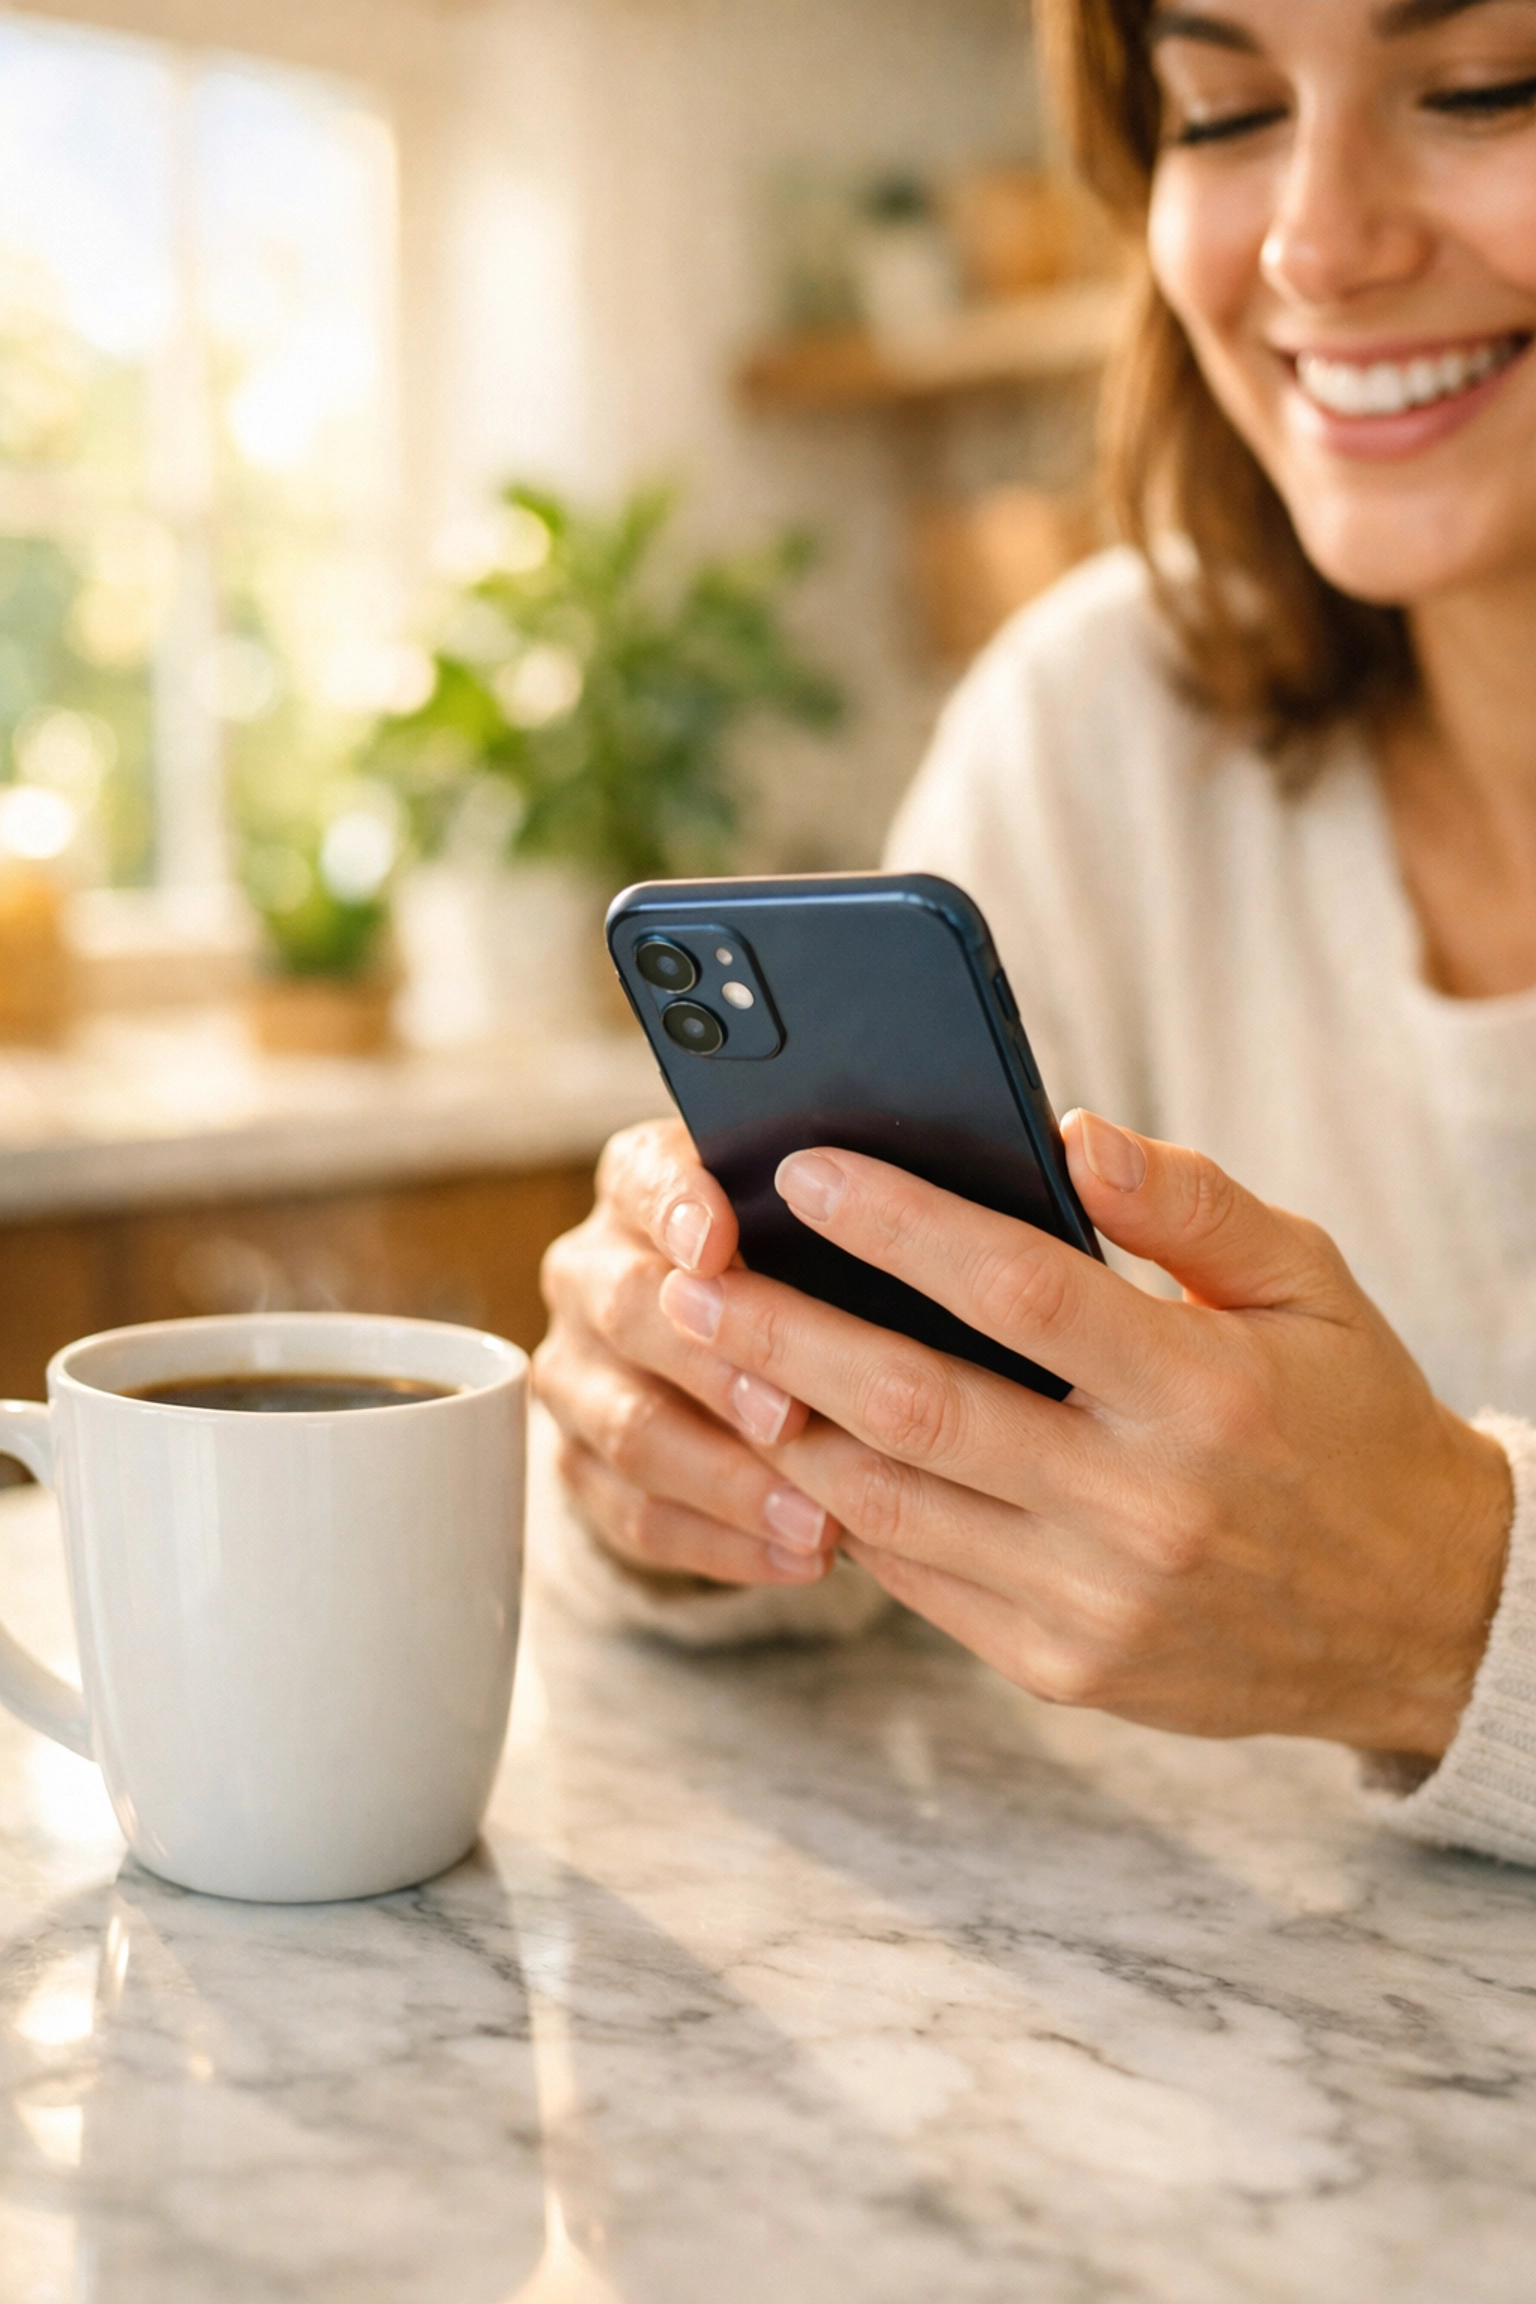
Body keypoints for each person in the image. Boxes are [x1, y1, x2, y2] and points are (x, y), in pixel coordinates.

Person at [532, 0, 1536, 1864]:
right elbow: (855, 1535)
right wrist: (685, 1461)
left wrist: (1453, 1610)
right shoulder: (1104, 719)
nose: (1314, 242)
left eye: (1489, 85)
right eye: (1223, 113)